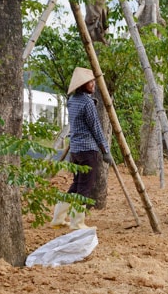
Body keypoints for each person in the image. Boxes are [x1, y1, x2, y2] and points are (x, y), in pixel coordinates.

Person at [50, 67, 114, 230]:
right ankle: (77, 223)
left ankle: (58, 218)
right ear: (82, 85)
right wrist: (105, 151)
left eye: (93, 81)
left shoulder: (72, 100)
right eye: (90, 82)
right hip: (88, 151)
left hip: (76, 150)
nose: (93, 84)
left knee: (77, 184)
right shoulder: (87, 103)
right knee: (84, 186)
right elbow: (96, 129)